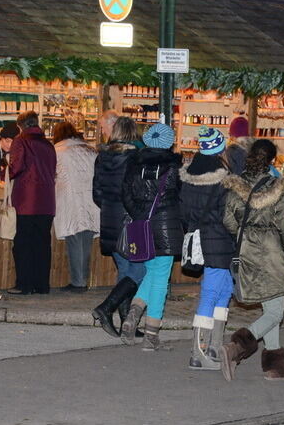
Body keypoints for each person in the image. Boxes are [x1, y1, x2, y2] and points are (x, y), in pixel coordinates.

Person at [219, 139, 284, 381]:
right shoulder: (277, 187)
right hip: (272, 250)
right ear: (272, 161)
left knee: (269, 305)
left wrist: (246, 236)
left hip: (247, 250)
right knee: (275, 312)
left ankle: (277, 367)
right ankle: (236, 346)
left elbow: (229, 221)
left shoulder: (236, 185)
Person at [119, 123, 183, 350]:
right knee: (160, 280)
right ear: (169, 143)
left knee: (152, 273)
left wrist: (139, 214)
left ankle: (132, 314)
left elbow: (125, 194)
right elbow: (180, 197)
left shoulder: (134, 163)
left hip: (142, 226)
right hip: (166, 227)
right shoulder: (174, 166)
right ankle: (152, 334)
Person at [179, 126, 233, 370]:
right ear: (220, 148)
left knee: (224, 289)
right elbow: (228, 216)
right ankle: (197, 351)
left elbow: (183, 211)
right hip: (220, 241)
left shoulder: (188, 175)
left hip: (199, 239)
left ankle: (214, 344)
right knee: (212, 292)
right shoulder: (224, 178)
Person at [90, 116, 146, 337]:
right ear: (134, 133)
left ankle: (126, 323)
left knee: (125, 270)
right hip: (130, 221)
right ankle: (106, 307)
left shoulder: (102, 157)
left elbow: (96, 193)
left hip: (109, 218)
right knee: (140, 270)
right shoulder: (136, 159)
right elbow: (138, 193)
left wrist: (109, 207)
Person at [6, 111, 57, 295]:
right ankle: (42, 285)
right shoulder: (48, 145)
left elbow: (16, 167)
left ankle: (24, 284)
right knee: (42, 244)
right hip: (47, 201)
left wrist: (6, 170)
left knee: (23, 244)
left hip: (27, 200)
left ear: (21, 125)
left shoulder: (21, 141)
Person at [52, 121, 99, 293]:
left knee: (74, 240)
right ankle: (82, 280)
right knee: (85, 241)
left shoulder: (57, 151)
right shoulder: (91, 150)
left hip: (70, 200)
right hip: (90, 200)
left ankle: (78, 282)